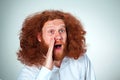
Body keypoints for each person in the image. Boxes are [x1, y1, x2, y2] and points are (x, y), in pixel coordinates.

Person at [17, 10, 96, 80]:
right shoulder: (29, 71)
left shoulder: (81, 60)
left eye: (61, 30)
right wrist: (46, 69)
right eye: (51, 31)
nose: (58, 36)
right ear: (40, 37)